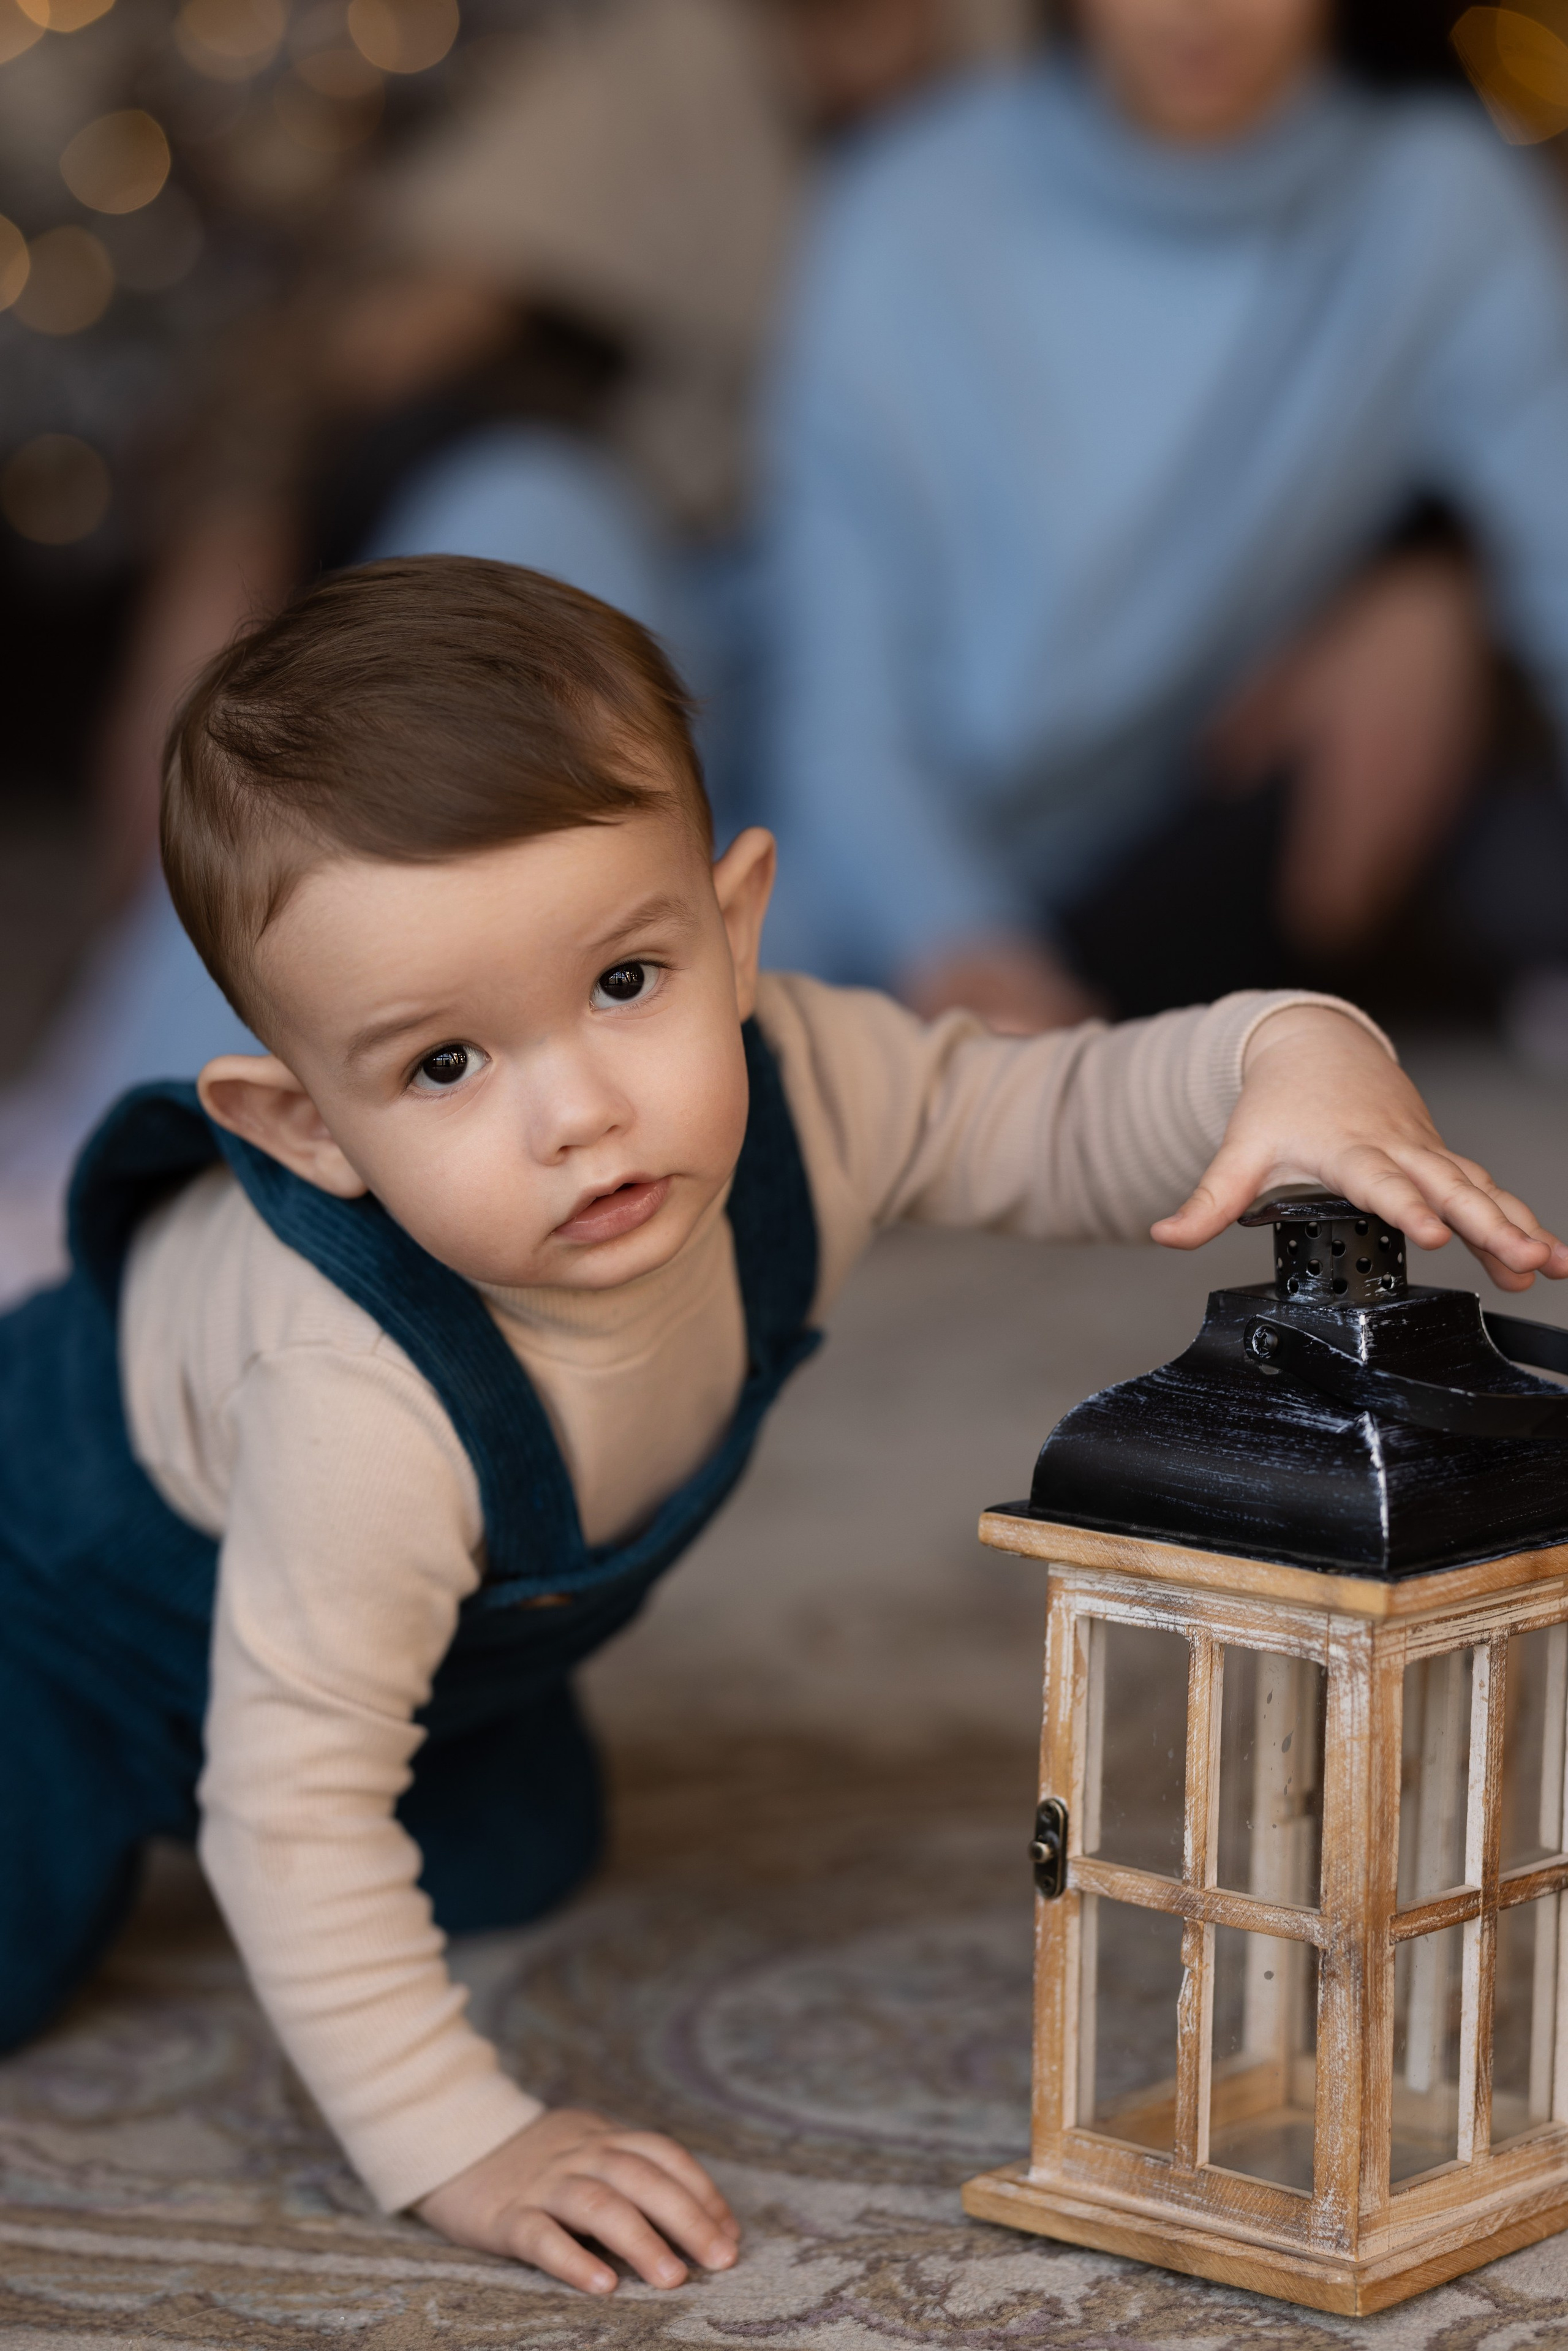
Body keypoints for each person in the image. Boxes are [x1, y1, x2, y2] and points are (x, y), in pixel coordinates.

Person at [1, 554, 1562, 2290]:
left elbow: (1050, 1109)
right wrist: (466, 2138)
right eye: (445, 1065)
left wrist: (1290, 1050)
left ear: (735, 928)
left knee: (522, 1853)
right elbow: (288, 1802)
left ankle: (420, 1711)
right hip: (58, 1602)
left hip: (452, 1642)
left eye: (621, 982)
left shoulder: (812, 1083)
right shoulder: (350, 1393)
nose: (580, 1111)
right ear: (303, 1126)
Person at [762, 0, 1568, 1029]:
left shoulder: (1437, 205)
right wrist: (964, 946)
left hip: (1139, 857)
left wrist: (1436, 580)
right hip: (845, 866)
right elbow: (840, 716)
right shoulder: (904, 205)